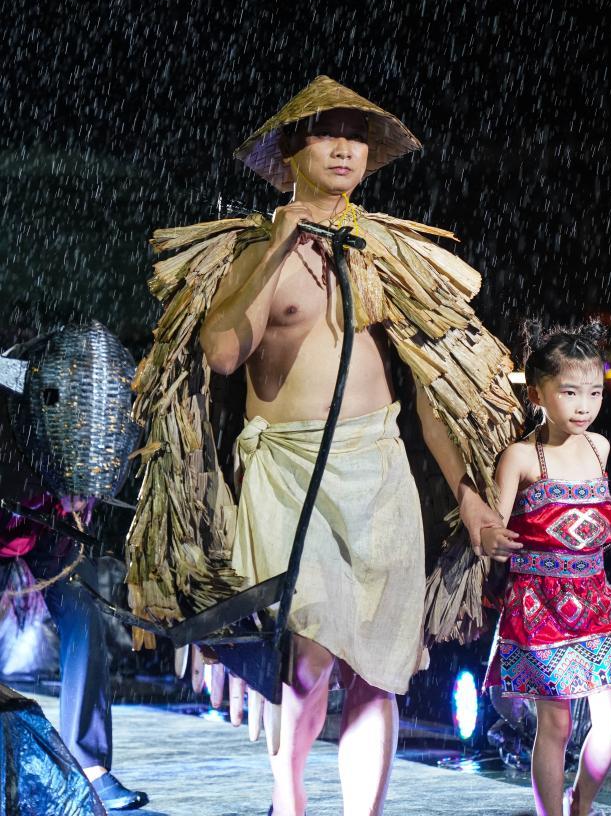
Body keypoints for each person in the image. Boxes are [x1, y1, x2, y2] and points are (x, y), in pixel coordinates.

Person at [127, 75, 524, 816]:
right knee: (307, 657)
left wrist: (468, 496)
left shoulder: (390, 255)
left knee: (379, 668)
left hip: (380, 471)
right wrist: (279, 244)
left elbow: (430, 391)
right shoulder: (250, 251)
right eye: (324, 131)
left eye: (356, 134)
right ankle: (291, 797)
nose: (344, 146)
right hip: (287, 472)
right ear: (289, 151)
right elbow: (218, 354)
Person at [482, 320, 611, 816]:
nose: (584, 405)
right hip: (538, 604)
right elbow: (492, 532)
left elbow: (595, 521)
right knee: (556, 726)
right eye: (569, 392)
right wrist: (491, 539)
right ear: (538, 391)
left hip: (596, 599)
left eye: (595, 392)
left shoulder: (599, 447)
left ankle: (579, 802)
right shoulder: (520, 457)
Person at [0, 493, 149, 812]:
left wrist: (78, 490)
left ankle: (88, 764)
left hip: (50, 522)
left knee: (84, 613)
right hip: (14, 506)